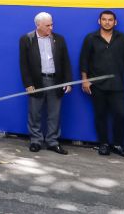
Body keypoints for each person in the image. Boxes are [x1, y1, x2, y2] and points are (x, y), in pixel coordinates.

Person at [78, 10, 124, 156]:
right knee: (101, 115)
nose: (107, 22)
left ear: (115, 22)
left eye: (110, 20)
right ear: (99, 21)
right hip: (97, 85)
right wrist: (85, 80)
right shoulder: (90, 38)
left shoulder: (122, 38)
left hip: (117, 85)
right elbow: (83, 60)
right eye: (104, 19)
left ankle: (118, 144)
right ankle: (103, 144)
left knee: (121, 114)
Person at [18, 12, 72, 154]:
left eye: (52, 24)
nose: (51, 28)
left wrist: (68, 82)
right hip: (37, 81)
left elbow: (66, 62)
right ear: (38, 25)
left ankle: (52, 142)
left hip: (56, 81)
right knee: (35, 113)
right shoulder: (26, 39)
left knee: (54, 114)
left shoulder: (59, 39)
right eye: (48, 25)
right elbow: (24, 64)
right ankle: (35, 141)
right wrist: (28, 84)